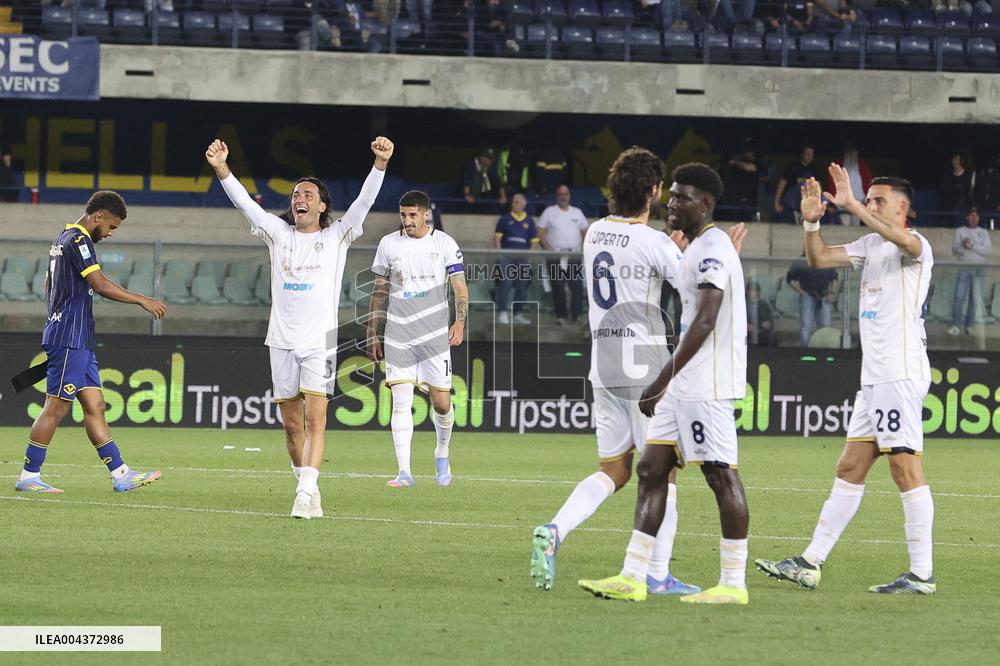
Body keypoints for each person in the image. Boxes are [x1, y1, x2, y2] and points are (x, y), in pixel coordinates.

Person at [756, 169, 937, 595]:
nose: (870, 205)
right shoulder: (870, 245)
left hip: (898, 372)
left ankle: (922, 574)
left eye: (878, 200)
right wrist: (810, 223)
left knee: (904, 468)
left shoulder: (917, 245)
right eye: (868, 200)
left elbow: (900, 239)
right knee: (850, 466)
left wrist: (852, 203)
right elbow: (819, 258)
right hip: (875, 377)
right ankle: (809, 562)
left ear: (903, 207)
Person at [578, 162, 752, 605]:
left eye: (682, 197)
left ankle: (733, 584)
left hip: (707, 382)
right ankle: (634, 575)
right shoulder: (693, 248)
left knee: (720, 474)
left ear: (705, 204)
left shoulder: (712, 247)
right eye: (671, 195)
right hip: (683, 381)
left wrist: (662, 376)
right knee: (651, 469)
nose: (672, 203)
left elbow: (707, 320)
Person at [206, 136, 394, 519]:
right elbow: (245, 204)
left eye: (307, 194)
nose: (299, 199)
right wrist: (222, 169)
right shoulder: (278, 233)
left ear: (322, 206)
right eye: (295, 195)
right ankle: (308, 487)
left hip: (319, 343)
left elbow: (363, 203)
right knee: (292, 426)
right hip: (281, 341)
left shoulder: (337, 235)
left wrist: (380, 164)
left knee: (315, 419)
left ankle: (304, 494)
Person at [15, 191, 166, 494]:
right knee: (56, 407)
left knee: (95, 405)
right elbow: (100, 284)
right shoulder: (78, 240)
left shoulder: (61, 238)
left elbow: (48, 284)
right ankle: (29, 475)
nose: (110, 233)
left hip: (78, 338)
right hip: (69, 338)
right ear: (98, 217)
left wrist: (57, 313)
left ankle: (121, 474)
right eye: (111, 226)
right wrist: (142, 299)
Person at [366, 190, 468, 488]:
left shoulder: (444, 244)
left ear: (426, 214)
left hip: (434, 336)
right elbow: (379, 290)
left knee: (441, 404)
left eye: (412, 215)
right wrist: (372, 331)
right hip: (398, 333)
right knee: (401, 402)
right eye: (403, 215)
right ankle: (404, 471)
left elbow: (460, 288)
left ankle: (442, 453)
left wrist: (459, 322)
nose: (407, 220)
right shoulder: (388, 244)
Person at [538, 185, 588, 325]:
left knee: (576, 286)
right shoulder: (549, 212)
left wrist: (585, 249)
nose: (563, 197)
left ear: (569, 196)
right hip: (555, 255)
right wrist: (547, 249)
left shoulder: (577, 212)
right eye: (560, 194)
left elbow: (585, 232)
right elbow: (540, 232)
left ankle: (577, 315)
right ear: (557, 196)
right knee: (558, 286)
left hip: (574, 255)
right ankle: (561, 316)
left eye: (565, 194)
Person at [494, 193, 538, 325]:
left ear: (524, 204)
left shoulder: (529, 221)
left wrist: (530, 256)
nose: (514, 205)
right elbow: (497, 239)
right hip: (506, 257)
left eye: (517, 202)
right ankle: (502, 312)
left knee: (522, 284)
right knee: (505, 282)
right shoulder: (505, 219)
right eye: (513, 202)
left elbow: (534, 241)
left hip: (523, 258)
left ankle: (517, 314)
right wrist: (500, 254)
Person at [949, 207, 993, 336]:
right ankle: (956, 325)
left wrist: (972, 245)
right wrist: (963, 245)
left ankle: (969, 326)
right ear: (967, 217)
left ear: (978, 218)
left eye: (976, 216)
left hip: (979, 269)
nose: (974, 218)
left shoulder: (983, 232)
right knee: (959, 298)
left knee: (974, 299)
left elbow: (987, 251)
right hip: (964, 267)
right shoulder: (960, 231)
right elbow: (955, 250)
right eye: (971, 216)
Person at [786, 255, 839, 347]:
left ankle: (826, 350)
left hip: (824, 296)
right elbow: (790, 279)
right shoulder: (801, 261)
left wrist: (831, 293)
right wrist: (801, 292)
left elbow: (834, 278)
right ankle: (804, 350)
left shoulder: (825, 258)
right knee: (806, 326)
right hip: (808, 295)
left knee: (825, 326)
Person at [827, 142, 871, 226]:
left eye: (853, 151)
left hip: (859, 203)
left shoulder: (863, 165)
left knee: (856, 226)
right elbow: (832, 185)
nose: (851, 154)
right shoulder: (838, 165)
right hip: (842, 204)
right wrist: (832, 203)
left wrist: (867, 199)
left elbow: (868, 182)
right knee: (845, 224)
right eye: (849, 151)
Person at [774, 144, 817, 223]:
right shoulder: (794, 166)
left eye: (811, 154)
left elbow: (818, 186)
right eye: (807, 153)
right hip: (791, 198)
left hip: (806, 200)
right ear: (802, 154)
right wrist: (777, 202)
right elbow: (782, 184)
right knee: (804, 185)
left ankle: (805, 214)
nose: (809, 156)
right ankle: (801, 213)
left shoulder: (813, 168)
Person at [939, 151, 975, 227]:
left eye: (956, 159)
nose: (953, 161)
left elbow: (969, 195)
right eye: (953, 159)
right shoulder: (947, 176)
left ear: (962, 161)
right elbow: (943, 193)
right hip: (948, 209)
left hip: (962, 211)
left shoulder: (968, 177)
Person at [746, 280, 774, 346]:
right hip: (747, 335)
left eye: (756, 291)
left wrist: (769, 324)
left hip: (762, 334)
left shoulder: (764, 305)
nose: (754, 293)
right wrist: (745, 326)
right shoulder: (743, 305)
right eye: (752, 291)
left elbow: (771, 321)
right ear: (748, 292)